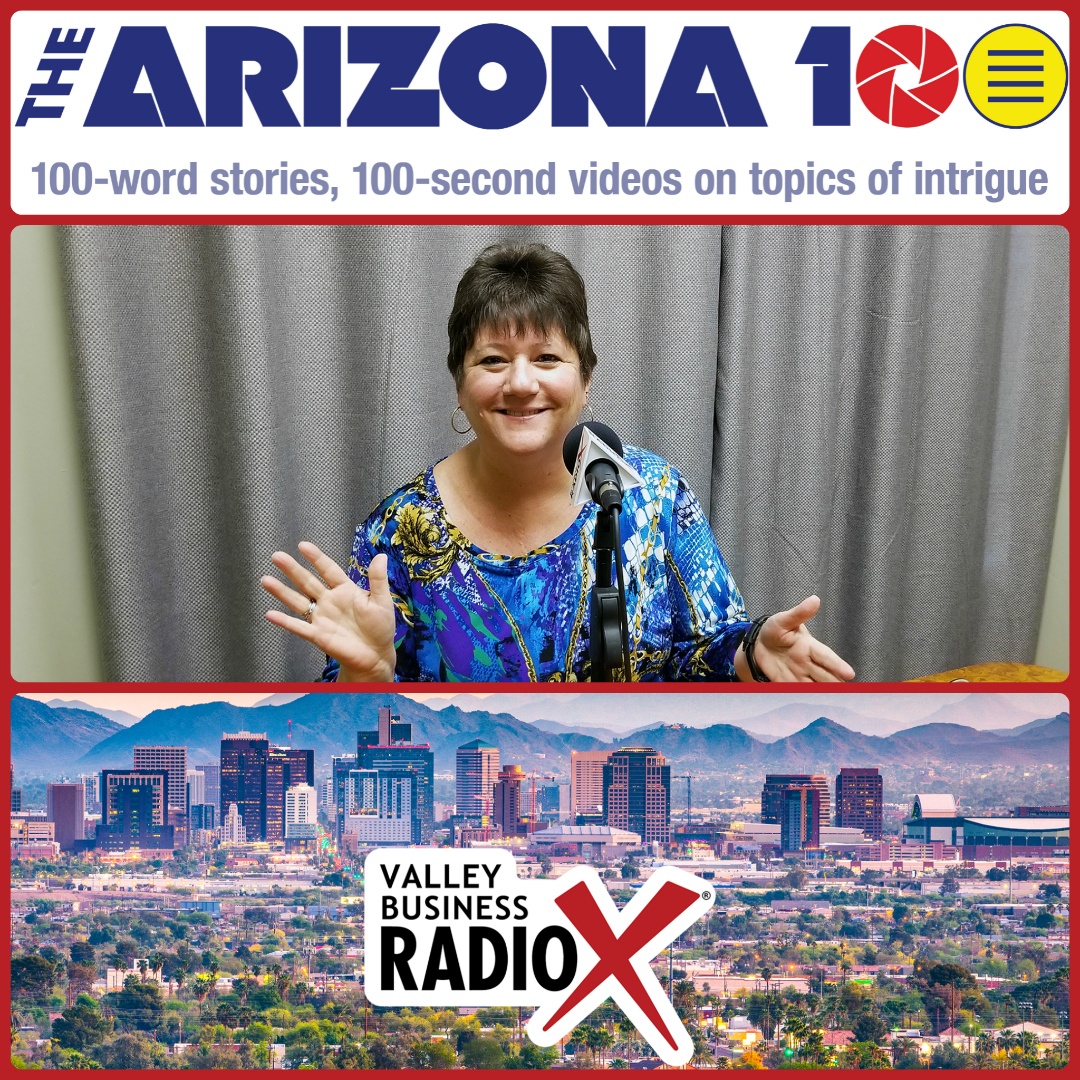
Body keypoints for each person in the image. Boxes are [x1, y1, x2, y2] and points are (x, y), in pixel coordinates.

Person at [262, 243, 854, 683]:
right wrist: (366, 676)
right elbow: (361, 745)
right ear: (459, 384)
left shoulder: (653, 495)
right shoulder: (397, 534)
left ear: (585, 378)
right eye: (492, 360)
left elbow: (700, 659)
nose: (521, 383)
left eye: (546, 356)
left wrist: (753, 654)